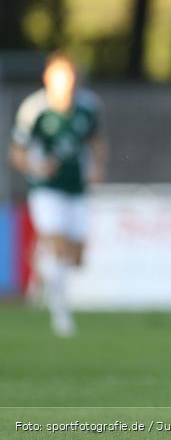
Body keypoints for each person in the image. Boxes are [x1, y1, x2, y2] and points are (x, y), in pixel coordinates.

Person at [9, 52, 106, 337]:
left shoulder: (88, 106)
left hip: (76, 188)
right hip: (46, 189)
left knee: (76, 258)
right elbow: (16, 151)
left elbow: (97, 140)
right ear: (48, 80)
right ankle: (61, 314)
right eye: (61, 79)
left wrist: (97, 167)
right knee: (58, 244)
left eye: (71, 78)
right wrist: (36, 166)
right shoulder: (34, 109)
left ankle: (41, 258)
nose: (67, 85)